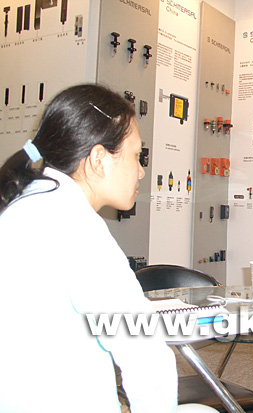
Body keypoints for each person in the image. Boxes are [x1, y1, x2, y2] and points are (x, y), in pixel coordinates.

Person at [0, 84, 178, 412]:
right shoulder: (75, 226)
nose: (141, 171)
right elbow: (145, 354)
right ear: (99, 159)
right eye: (136, 155)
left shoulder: (20, 208)